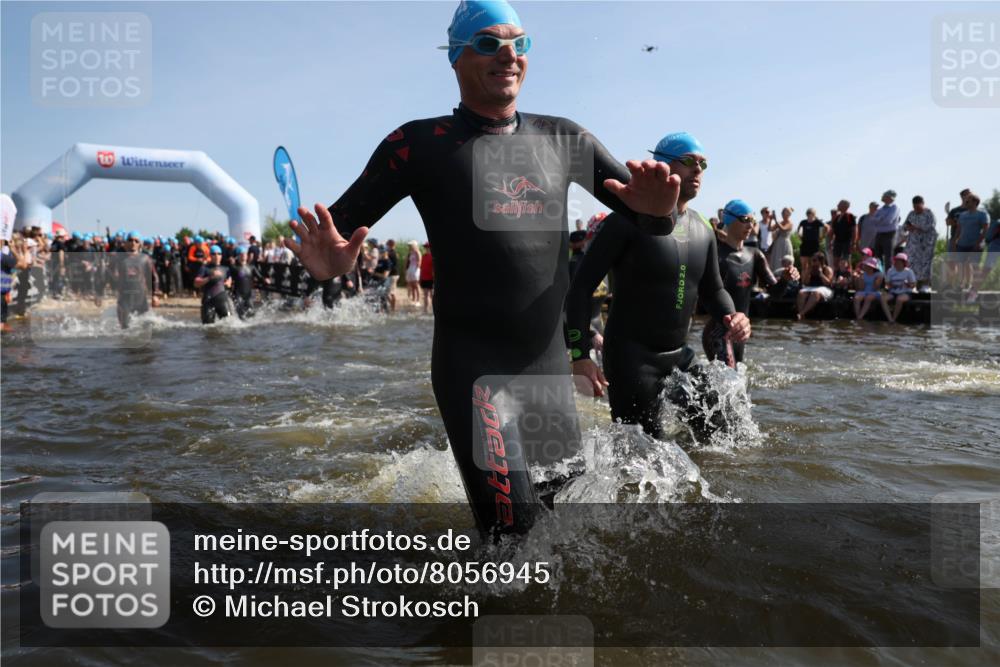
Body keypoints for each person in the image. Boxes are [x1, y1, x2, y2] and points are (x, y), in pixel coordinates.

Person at [285, 0, 680, 536]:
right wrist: (328, 266)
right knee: (514, 536)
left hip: (545, 369)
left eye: (520, 43)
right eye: (489, 43)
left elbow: (649, 220)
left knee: (566, 531)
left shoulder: (564, 139)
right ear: (456, 57)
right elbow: (335, 236)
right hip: (473, 369)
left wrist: (660, 213)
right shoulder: (415, 145)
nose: (509, 55)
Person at [566, 132, 750, 439]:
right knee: (643, 456)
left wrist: (733, 316)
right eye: (689, 161)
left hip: (679, 356)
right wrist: (580, 356)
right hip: (632, 360)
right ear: (661, 166)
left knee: (721, 434)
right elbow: (580, 289)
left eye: (703, 163)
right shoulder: (625, 222)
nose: (698, 170)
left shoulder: (702, 228)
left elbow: (714, 290)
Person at [702, 199, 796, 367]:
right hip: (718, 332)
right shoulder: (716, 254)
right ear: (729, 219)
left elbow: (775, 293)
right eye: (745, 219)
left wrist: (786, 279)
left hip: (741, 332)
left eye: (753, 220)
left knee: (737, 383)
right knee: (727, 383)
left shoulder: (755, 255)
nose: (751, 225)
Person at [114, 231, 159, 329]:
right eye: (130, 240)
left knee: (145, 327)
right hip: (124, 298)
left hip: (141, 298)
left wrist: (155, 295)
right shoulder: (119, 258)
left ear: (140, 244)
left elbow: (154, 277)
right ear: (126, 243)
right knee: (124, 328)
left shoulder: (145, 258)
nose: (133, 243)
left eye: (136, 241)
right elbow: (108, 275)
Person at [954, 192, 988, 300]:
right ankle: (961, 284)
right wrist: (955, 241)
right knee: (960, 265)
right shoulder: (962, 215)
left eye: (968, 201)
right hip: (962, 244)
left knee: (975, 267)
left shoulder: (982, 215)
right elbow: (959, 229)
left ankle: (973, 288)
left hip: (975, 245)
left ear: (975, 202)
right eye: (965, 201)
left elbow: (985, 229)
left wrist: (978, 243)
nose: (966, 202)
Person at [902, 195, 937, 292]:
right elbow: (905, 226)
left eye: (918, 207)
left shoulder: (929, 213)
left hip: (926, 245)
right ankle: (912, 284)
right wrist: (908, 227)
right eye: (914, 207)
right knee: (911, 264)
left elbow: (930, 226)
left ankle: (925, 284)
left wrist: (916, 227)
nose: (916, 209)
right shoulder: (911, 214)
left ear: (922, 204)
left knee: (925, 264)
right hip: (913, 245)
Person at [194, 245, 233, 324]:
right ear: (210, 255)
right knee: (207, 327)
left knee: (230, 325)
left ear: (221, 255)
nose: (216, 256)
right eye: (214, 254)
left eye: (219, 254)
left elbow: (229, 280)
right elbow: (196, 283)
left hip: (222, 301)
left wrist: (229, 282)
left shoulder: (226, 269)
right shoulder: (205, 268)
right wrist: (210, 277)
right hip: (208, 301)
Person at [795, 252, 834, 320]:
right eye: (812, 260)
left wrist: (821, 274)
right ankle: (801, 314)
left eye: (814, 260)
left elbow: (829, 283)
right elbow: (805, 283)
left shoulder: (827, 269)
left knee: (815, 293)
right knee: (801, 293)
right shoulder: (810, 269)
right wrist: (808, 273)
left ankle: (801, 313)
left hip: (824, 288)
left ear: (820, 261)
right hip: (811, 287)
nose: (812, 262)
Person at [880, 252, 916, 323]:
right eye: (896, 261)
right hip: (893, 292)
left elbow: (913, 285)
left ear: (904, 263)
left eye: (899, 261)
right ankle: (889, 318)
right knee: (882, 298)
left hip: (906, 292)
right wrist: (891, 285)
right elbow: (887, 284)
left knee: (899, 299)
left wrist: (907, 284)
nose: (897, 263)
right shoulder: (890, 271)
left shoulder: (909, 272)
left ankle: (894, 319)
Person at [870, 190, 900, 272]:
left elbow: (888, 220)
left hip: (889, 234)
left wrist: (879, 220)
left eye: (884, 195)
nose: (882, 196)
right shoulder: (881, 209)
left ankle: (888, 276)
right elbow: (872, 220)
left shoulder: (894, 208)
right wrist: (881, 219)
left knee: (888, 256)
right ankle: (879, 276)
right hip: (879, 234)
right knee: (877, 256)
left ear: (888, 197)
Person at [796, 208, 826, 280]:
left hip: (814, 245)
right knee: (804, 265)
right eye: (808, 213)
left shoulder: (818, 222)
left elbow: (825, 229)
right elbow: (798, 231)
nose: (810, 215)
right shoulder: (803, 222)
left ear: (814, 214)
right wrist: (800, 237)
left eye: (811, 213)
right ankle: (803, 282)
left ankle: (810, 281)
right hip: (805, 245)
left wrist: (821, 238)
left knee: (812, 265)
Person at [853, 256, 884, 320]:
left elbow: (876, 288)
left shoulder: (879, 275)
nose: (865, 267)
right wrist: (860, 279)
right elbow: (861, 289)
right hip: (864, 291)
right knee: (857, 297)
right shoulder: (863, 274)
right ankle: (858, 315)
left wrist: (876, 280)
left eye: (867, 265)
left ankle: (860, 317)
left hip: (875, 292)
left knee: (868, 297)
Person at [230, 246, 256, 319]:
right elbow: (228, 277)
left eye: (245, 254)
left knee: (252, 314)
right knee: (240, 315)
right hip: (238, 295)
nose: (244, 256)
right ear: (238, 256)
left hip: (249, 295)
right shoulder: (234, 267)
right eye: (241, 254)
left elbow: (259, 276)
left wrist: (265, 279)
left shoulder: (251, 267)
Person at [829, 200, 857, 264]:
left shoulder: (850, 216)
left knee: (846, 261)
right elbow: (833, 230)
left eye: (839, 204)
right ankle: (836, 273)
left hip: (847, 242)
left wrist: (853, 243)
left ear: (844, 206)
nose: (837, 205)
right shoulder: (837, 217)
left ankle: (847, 273)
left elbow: (854, 230)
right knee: (835, 260)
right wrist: (831, 241)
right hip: (837, 241)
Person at [768, 207, 794, 273]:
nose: (783, 214)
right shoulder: (780, 222)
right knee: (776, 260)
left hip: (785, 243)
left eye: (784, 213)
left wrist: (776, 220)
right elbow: (770, 229)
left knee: (786, 261)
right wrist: (771, 220)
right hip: (778, 244)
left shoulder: (790, 223)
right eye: (782, 213)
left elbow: (783, 229)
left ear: (788, 214)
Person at [419, 242, 434, 314]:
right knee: (425, 294)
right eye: (425, 247)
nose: (426, 249)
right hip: (424, 278)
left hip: (431, 278)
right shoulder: (423, 256)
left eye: (428, 247)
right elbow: (421, 268)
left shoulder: (433, 257)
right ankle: (426, 309)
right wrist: (420, 277)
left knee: (431, 294)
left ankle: (433, 308)